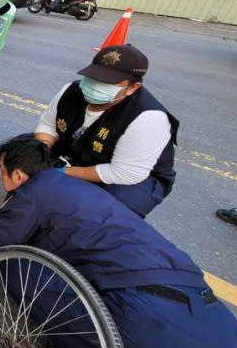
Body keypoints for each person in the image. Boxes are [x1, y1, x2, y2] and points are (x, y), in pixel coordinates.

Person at [0, 135, 237, 348]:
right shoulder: (74, 185)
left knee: (12, 264)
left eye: (1, 169)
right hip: (188, 281)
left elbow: (1, 238)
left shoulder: (32, 193)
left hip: (138, 300)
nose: (0, 175)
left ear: (17, 176)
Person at [34, 44, 177, 218]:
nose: (95, 85)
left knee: (105, 210)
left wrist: (61, 173)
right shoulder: (71, 91)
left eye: (108, 82)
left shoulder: (148, 118)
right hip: (80, 151)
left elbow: (124, 173)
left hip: (131, 177)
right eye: (93, 77)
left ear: (133, 87)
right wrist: (39, 153)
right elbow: (48, 126)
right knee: (19, 151)